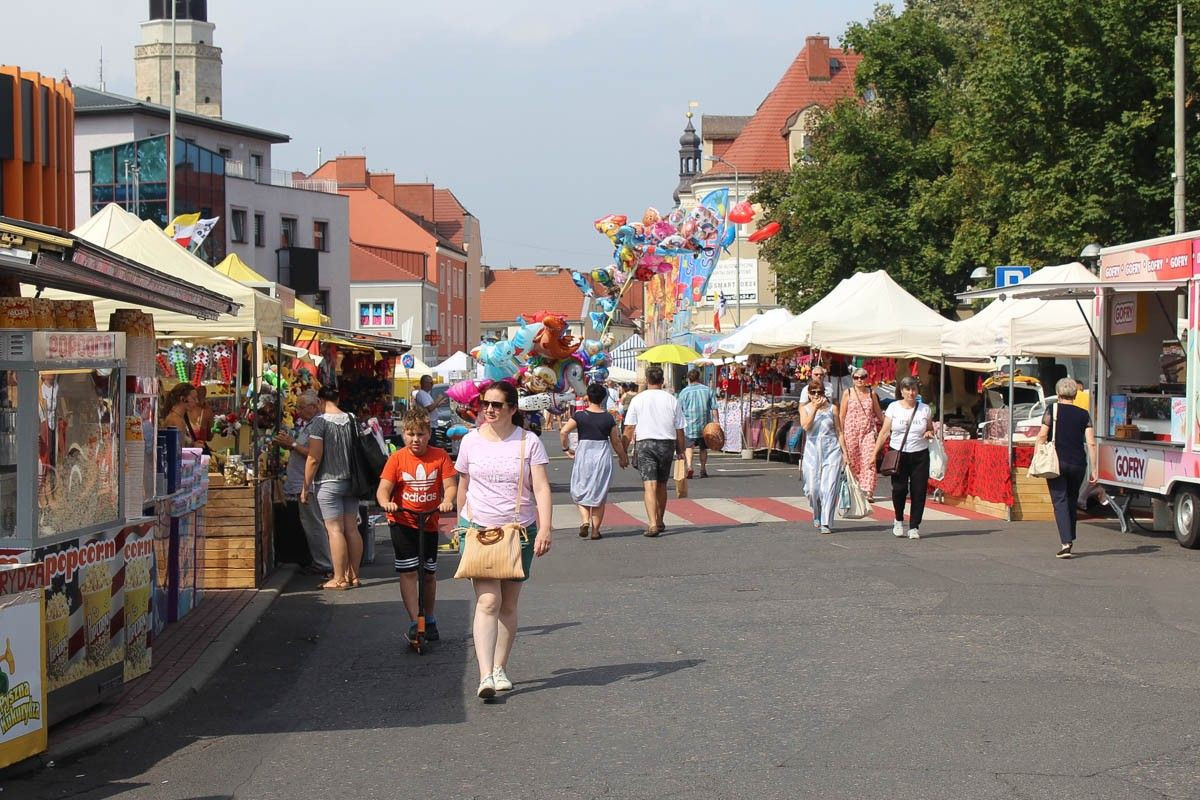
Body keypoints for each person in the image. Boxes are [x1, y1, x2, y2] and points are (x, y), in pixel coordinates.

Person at [455, 381, 553, 699]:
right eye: (485, 403)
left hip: (519, 530)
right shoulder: (470, 441)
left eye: (497, 405)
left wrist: (547, 527)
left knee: (508, 604)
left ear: (513, 409)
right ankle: (485, 675)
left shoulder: (529, 442)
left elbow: (540, 488)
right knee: (488, 601)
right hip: (480, 529)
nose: (490, 410)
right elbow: (462, 485)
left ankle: (500, 668)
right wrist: (460, 524)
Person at [377, 410, 458, 642]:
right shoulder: (397, 458)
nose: (415, 439)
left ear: (428, 434)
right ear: (404, 435)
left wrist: (447, 500)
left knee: (429, 574)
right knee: (409, 571)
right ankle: (416, 621)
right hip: (403, 521)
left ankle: (429, 618)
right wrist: (387, 503)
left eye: (420, 434)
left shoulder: (440, 456)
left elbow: (450, 486)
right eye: (411, 434)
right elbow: (383, 488)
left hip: (429, 522)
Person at [301, 385, 364, 590]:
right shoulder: (352, 419)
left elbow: (313, 457)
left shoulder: (319, 423)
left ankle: (339, 578)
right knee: (352, 529)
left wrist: (305, 485)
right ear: (338, 399)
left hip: (328, 482)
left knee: (334, 530)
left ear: (320, 401)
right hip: (352, 481)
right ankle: (354, 575)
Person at [274, 390, 333, 578]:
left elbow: (314, 455)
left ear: (314, 406)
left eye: (301, 407)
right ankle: (323, 561)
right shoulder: (311, 425)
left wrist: (292, 444)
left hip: (310, 482)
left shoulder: (318, 425)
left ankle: (324, 563)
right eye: (297, 406)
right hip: (303, 481)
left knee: (314, 523)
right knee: (312, 522)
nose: (298, 410)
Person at [560, 382, 629, 539]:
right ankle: (595, 531)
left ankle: (585, 520)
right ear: (603, 398)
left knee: (580, 488)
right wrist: (623, 457)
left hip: (584, 453)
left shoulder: (579, 415)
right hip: (602, 453)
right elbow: (616, 441)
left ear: (587, 397)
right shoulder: (608, 418)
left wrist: (566, 448)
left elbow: (564, 432)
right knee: (599, 492)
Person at [1037, 377, 1097, 558]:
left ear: (1057, 393)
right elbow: (1091, 443)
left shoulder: (1052, 410)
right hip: (1078, 463)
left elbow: (1042, 435)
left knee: (1059, 500)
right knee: (1071, 498)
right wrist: (1094, 469)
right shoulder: (1083, 414)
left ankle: (1066, 542)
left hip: (1057, 461)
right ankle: (1070, 534)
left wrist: (1036, 456)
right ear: (1076, 393)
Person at [623, 366, 685, 537]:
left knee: (649, 485)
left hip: (645, 444)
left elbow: (629, 428)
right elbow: (679, 428)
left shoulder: (638, 399)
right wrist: (681, 451)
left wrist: (623, 451)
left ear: (647, 380)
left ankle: (652, 524)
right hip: (667, 444)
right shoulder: (672, 399)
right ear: (662, 381)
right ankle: (660, 519)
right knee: (662, 485)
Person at [872, 376, 934, 540]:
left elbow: (930, 428)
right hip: (898, 453)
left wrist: (929, 433)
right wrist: (874, 454)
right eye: (907, 389)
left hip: (920, 454)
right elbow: (885, 431)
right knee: (899, 489)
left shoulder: (925, 409)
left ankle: (914, 526)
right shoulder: (893, 408)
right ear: (901, 391)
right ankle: (898, 519)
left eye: (914, 389)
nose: (911, 393)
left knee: (919, 491)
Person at [799, 378, 847, 534]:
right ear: (809, 394)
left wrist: (845, 453)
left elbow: (839, 431)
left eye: (819, 392)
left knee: (830, 487)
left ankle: (826, 522)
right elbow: (806, 426)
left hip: (831, 449)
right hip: (812, 450)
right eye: (813, 392)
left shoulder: (833, 408)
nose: (816, 395)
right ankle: (817, 511)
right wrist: (814, 409)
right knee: (812, 489)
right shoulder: (805, 408)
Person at [840, 366, 885, 499]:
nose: (859, 380)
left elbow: (878, 412)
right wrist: (840, 432)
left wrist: (888, 426)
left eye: (862, 377)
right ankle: (855, 487)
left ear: (866, 379)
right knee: (853, 460)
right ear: (853, 379)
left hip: (867, 431)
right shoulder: (847, 393)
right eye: (856, 377)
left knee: (869, 459)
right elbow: (842, 415)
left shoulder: (872, 393)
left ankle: (868, 490)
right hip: (851, 431)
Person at [678, 369, 718, 478]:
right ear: (699, 377)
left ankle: (690, 466)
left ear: (688, 379)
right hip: (704, 425)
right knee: (703, 448)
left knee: (689, 447)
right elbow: (714, 408)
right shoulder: (708, 390)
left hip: (689, 425)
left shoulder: (684, 392)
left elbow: (679, 410)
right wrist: (717, 423)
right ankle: (703, 468)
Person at [162, 383, 199, 448]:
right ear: (182, 399)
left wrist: (193, 444)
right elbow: (180, 451)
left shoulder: (177, 417)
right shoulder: (176, 420)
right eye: (193, 398)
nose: (197, 401)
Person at [188, 385, 215, 452]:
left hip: (185, 450)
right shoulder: (207, 412)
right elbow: (209, 437)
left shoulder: (184, 411)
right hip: (200, 451)